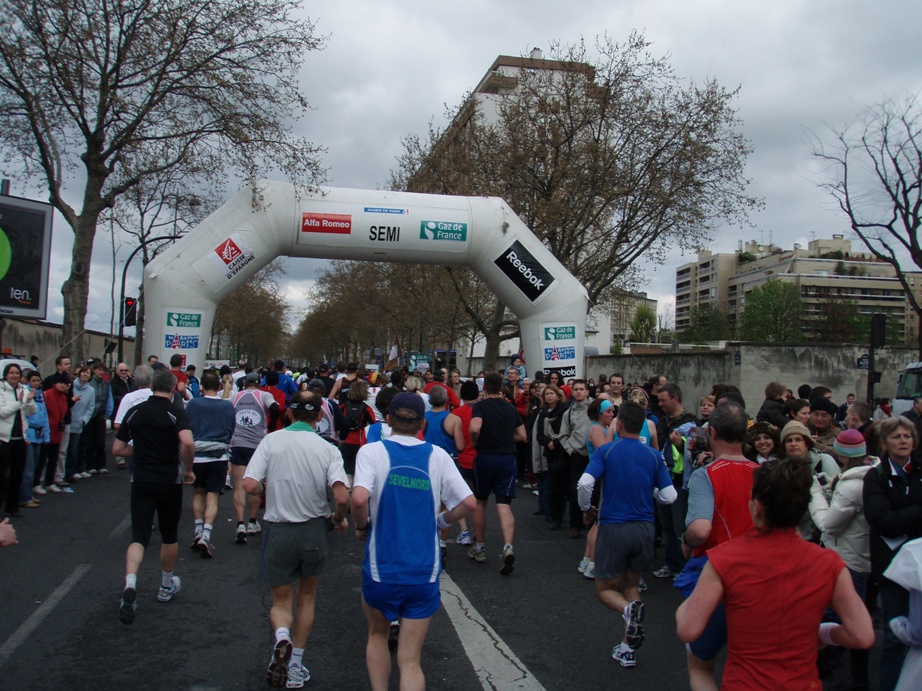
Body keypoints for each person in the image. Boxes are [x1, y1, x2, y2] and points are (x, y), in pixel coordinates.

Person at [676, 460, 875, 690]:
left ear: (756, 507)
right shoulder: (829, 562)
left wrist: (685, 607)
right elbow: (862, 635)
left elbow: (688, 629)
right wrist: (823, 632)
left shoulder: (724, 559)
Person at [352, 392, 475, 691]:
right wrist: (442, 522)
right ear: (422, 423)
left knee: (378, 636)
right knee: (410, 660)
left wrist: (362, 525)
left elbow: (358, 498)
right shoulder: (438, 455)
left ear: (389, 420)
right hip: (424, 569)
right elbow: (468, 502)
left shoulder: (372, 452)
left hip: (383, 567)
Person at [242, 390, 350, 689]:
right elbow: (342, 495)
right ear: (318, 417)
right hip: (314, 528)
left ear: (289, 414)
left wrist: (266, 488)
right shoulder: (327, 448)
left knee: (281, 599)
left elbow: (249, 484)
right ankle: (296, 665)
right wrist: (339, 518)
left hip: (277, 528)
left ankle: (281, 637)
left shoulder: (271, 440)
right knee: (307, 596)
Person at [577, 401, 676, 668]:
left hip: (614, 526)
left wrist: (586, 508)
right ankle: (627, 649)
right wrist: (651, 492)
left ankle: (627, 610)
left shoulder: (607, 452)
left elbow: (586, 482)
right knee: (631, 586)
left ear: (618, 425)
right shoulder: (654, 456)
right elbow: (670, 496)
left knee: (605, 589)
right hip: (645, 528)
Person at [112, 368, 195, 625]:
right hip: (168, 479)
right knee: (169, 534)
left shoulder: (135, 411)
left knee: (139, 535)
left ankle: (131, 585)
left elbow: (117, 447)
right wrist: (189, 469)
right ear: (172, 388)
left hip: (142, 478)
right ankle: (165, 585)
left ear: (151, 386)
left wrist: (140, 453)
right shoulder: (175, 411)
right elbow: (188, 442)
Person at [809, 427, 878, 691]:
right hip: (860, 556)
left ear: (842, 455)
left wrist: (814, 493)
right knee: (852, 613)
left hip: (848, 559)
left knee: (840, 614)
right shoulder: (866, 475)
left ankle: (832, 667)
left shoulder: (852, 486)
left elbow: (829, 524)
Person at [863, 415, 922, 691]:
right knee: (894, 638)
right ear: (885, 443)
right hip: (892, 569)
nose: (903, 441)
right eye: (897, 437)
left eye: (907, 436)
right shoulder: (875, 477)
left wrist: (904, 515)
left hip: (920, 568)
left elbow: (894, 516)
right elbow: (881, 519)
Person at [468, 371, 526, 573]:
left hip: (485, 457)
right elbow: (523, 435)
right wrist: (508, 438)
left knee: (480, 502)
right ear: (502, 388)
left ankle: (480, 547)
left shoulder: (481, 406)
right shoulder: (510, 408)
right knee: (504, 505)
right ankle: (508, 546)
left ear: (484, 388)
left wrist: (475, 440)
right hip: (507, 458)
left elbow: (475, 427)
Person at [186, 372, 236, 557]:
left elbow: (187, 427)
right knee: (213, 496)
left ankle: (197, 530)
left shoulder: (193, 404)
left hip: (197, 456)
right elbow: (231, 428)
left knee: (198, 493)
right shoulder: (227, 406)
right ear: (220, 386)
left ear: (201, 387)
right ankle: (206, 535)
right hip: (219, 456)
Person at [230, 372, 279, 543]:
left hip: (237, 443)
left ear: (245, 383)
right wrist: (271, 424)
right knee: (256, 483)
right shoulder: (264, 394)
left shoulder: (235, 396)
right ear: (259, 383)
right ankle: (252, 521)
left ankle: (239, 524)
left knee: (238, 486)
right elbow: (274, 408)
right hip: (258, 445)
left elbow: (229, 414)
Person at [653, 382, 696, 579]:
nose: (659, 404)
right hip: (662, 479)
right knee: (667, 525)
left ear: (675, 399)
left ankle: (682, 567)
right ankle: (670, 564)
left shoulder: (691, 423)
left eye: (663, 400)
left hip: (679, 482)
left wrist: (681, 445)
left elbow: (693, 453)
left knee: (679, 525)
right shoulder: (663, 422)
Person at [0, 364, 38, 517]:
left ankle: (12, 506)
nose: (14, 376)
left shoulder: (23, 389)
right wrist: (19, 402)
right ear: (6, 375)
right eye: (11, 373)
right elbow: (2, 412)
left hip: (20, 438)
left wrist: (28, 401)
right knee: (1, 476)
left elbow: (31, 411)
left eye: (17, 373)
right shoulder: (1, 390)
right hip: (3, 439)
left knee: (17, 474)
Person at [558, 379, 591, 539]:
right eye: (576, 389)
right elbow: (563, 435)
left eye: (581, 389)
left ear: (587, 392)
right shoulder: (568, 412)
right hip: (577, 455)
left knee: (594, 489)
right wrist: (571, 450)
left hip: (593, 455)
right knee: (575, 490)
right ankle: (575, 524)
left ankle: (592, 522)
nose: (578, 392)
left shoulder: (595, 409)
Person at [85, 361, 114, 474]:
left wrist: (108, 413)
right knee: (90, 441)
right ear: (94, 370)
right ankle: (89, 465)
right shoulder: (90, 383)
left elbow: (109, 399)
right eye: (99, 370)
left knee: (101, 442)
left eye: (103, 370)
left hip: (101, 415)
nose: (101, 372)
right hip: (91, 416)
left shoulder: (106, 384)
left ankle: (100, 464)